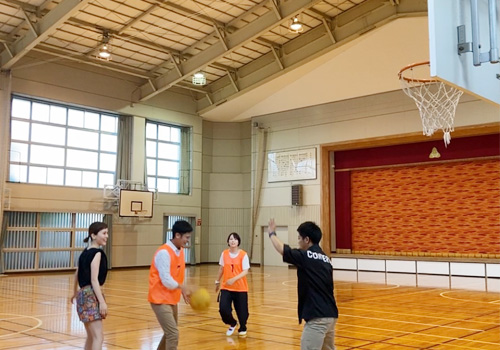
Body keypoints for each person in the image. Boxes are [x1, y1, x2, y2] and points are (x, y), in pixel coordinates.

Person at [267, 219, 338, 350]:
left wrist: (272, 234)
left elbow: (283, 250)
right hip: (331, 315)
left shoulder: (306, 256)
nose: (298, 241)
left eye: (299, 238)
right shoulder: (326, 259)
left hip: (317, 318)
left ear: (307, 240)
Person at [148, 220, 193, 350]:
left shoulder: (181, 251)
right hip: (159, 299)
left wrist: (183, 291)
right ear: (177, 235)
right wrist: (183, 287)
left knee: (169, 334)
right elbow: (166, 279)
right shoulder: (164, 252)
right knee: (173, 334)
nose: (188, 241)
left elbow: (178, 275)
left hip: (171, 299)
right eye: (187, 237)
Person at [71, 221, 109, 350]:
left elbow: (76, 273)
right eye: (104, 233)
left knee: (91, 337)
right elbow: (94, 280)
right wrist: (102, 301)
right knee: (98, 337)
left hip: (82, 294)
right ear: (93, 235)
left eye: (107, 233)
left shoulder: (85, 252)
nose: (106, 236)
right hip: (91, 295)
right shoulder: (97, 253)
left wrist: (74, 293)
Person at [215, 232, 250, 337]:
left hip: (240, 288)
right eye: (230, 239)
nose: (233, 241)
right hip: (226, 287)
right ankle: (232, 323)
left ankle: (242, 327)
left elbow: (245, 271)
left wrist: (234, 279)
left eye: (235, 239)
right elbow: (221, 268)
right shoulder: (224, 254)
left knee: (242, 312)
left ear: (238, 241)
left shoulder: (243, 254)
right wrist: (217, 281)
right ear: (228, 242)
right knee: (223, 309)